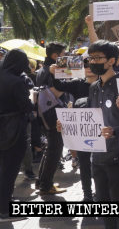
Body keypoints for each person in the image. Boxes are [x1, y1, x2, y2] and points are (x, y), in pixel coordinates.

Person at [87, 40, 119, 228]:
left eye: (98, 58)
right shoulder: (93, 87)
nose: (93, 62)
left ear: (111, 61)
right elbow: (92, 119)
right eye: (91, 58)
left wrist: (115, 130)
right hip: (97, 157)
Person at [51, 55, 96, 202]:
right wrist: (54, 72)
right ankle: (87, 194)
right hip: (81, 130)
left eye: (92, 64)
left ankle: (101, 192)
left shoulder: (106, 84)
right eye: (85, 65)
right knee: (84, 163)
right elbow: (59, 86)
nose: (89, 68)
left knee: (100, 164)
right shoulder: (77, 83)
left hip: (102, 131)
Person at [0, 49, 33, 222]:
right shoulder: (16, 82)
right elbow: (26, 107)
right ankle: (5, 210)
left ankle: (4, 202)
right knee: (9, 171)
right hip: (13, 132)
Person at [35, 41, 68, 195]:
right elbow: (54, 92)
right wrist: (69, 86)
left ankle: (41, 182)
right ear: (55, 56)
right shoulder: (52, 70)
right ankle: (46, 185)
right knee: (55, 149)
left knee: (50, 149)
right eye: (63, 54)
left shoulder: (43, 69)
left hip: (45, 113)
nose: (65, 57)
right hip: (53, 113)